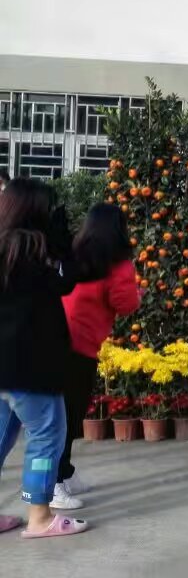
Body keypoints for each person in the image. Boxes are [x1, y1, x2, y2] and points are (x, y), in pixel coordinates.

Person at [0, 178, 87, 538]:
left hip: (4, 367)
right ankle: (39, 516)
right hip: (31, 366)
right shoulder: (33, 250)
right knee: (47, 436)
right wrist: (63, 247)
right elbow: (66, 282)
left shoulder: (5, 246)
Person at [58, 203, 140, 508]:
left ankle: (64, 472)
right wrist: (137, 294)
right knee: (67, 417)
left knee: (63, 414)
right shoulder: (118, 264)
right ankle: (54, 482)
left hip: (56, 338)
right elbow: (126, 304)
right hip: (80, 346)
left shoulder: (74, 254)